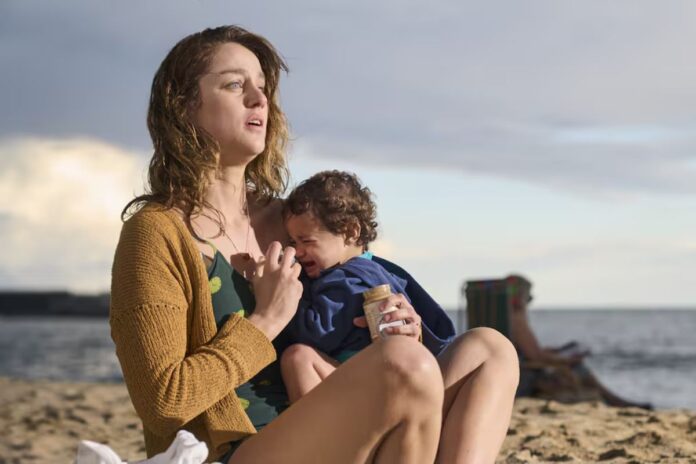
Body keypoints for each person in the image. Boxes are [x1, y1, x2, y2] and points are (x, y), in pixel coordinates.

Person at [110, 25, 519, 464]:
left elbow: (360, 312)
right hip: (235, 451)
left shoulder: (295, 223)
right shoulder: (156, 234)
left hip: (338, 424)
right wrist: (265, 321)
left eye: (263, 87)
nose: (259, 99)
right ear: (183, 106)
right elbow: (163, 403)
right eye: (234, 85)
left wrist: (402, 326)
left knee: (488, 350)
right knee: (404, 366)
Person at [280, 170, 455, 402]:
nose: (297, 251)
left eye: (306, 241)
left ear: (351, 231)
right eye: (292, 242)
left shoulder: (346, 279)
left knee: (298, 359)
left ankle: (318, 426)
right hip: (382, 382)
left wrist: (286, 292)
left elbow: (317, 333)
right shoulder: (382, 272)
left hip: (367, 386)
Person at [507, 274, 652, 409]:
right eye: (529, 297)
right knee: (578, 367)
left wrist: (553, 352)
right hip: (527, 376)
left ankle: (615, 400)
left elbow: (526, 352)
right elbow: (536, 357)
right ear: (520, 296)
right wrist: (566, 360)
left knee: (575, 365)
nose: (530, 301)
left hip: (520, 370)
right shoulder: (517, 319)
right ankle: (615, 401)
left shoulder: (505, 318)